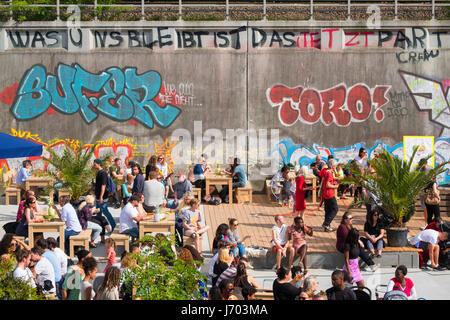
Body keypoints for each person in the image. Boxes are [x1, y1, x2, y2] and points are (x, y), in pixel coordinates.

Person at [93, 158, 116, 232]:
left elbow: (103, 185)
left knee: (105, 212)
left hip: (102, 197)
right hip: (98, 196)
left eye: (95, 163)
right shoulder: (99, 172)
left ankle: (114, 226)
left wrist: (101, 197)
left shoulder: (103, 173)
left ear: (99, 164)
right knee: (99, 215)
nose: (94, 165)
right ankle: (100, 231)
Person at [322, 159, 339, 232]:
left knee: (328, 210)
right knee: (335, 209)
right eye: (335, 165)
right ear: (333, 166)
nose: (336, 167)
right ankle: (326, 223)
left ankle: (327, 227)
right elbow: (327, 185)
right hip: (329, 194)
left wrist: (333, 183)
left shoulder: (326, 171)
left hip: (325, 194)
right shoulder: (329, 173)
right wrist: (335, 186)